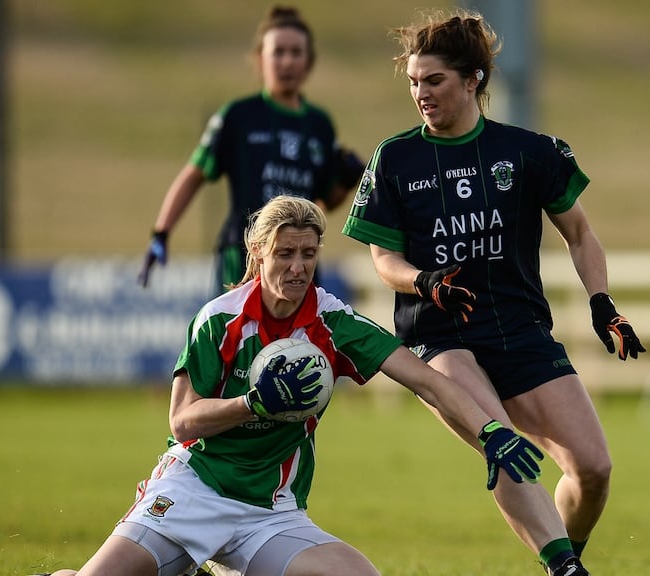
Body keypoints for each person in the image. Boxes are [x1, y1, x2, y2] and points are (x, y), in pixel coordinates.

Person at [35, 195, 545, 576]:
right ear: (257, 254)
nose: (298, 267)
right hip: (194, 490)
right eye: (284, 254)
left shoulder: (333, 323)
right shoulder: (220, 320)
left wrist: (490, 432)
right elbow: (182, 420)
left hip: (270, 510)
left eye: (308, 253)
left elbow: (427, 381)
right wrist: (252, 403)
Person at [341, 9, 646, 576]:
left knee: (594, 468)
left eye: (434, 80)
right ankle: (564, 569)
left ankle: (564, 554)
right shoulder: (396, 158)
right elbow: (384, 259)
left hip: (520, 330)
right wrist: (425, 282)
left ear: (474, 79)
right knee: (501, 445)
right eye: (413, 81)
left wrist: (602, 302)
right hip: (440, 337)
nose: (421, 93)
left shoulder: (528, 152)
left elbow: (580, 233)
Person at [137, 5, 364, 296]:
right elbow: (194, 174)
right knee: (238, 339)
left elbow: (326, 201)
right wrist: (161, 232)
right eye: (278, 52)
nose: (287, 61)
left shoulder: (320, 125)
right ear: (260, 58)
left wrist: (347, 180)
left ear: (309, 61)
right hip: (245, 254)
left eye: (296, 53)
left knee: (297, 342)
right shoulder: (238, 116)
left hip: (299, 256)